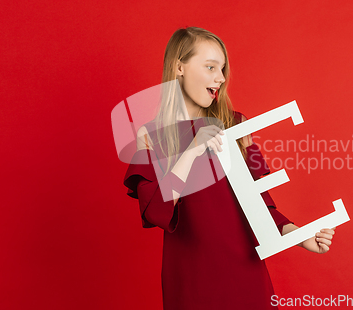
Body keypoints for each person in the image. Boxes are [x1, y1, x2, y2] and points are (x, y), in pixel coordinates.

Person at [123, 26, 335, 310]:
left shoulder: (236, 124)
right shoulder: (151, 135)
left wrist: (302, 236)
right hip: (191, 278)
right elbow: (156, 209)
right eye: (210, 67)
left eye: (222, 69)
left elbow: (261, 205)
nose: (220, 78)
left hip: (245, 270)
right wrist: (193, 150)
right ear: (179, 67)